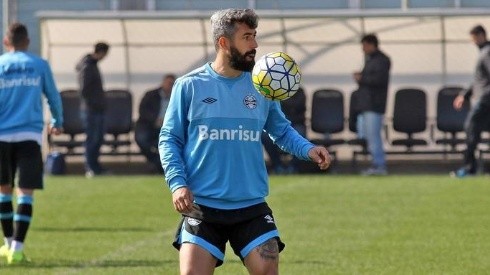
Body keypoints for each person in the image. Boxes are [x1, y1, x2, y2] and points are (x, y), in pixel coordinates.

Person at [158, 8, 331, 274]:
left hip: (250, 205)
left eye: (255, 36)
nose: (255, 45)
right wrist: (178, 184)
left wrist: (309, 149)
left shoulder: (262, 87)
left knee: (267, 270)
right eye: (247, 37)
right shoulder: (189, 86)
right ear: (223, 43)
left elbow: (281, 131)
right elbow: (169, 138)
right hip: (202, 206)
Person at [0, 22, 63, 264]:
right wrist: (57, 120)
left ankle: (6, 244)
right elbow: (53, 96)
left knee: (3, 192)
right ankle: (16, 248)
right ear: (27, 41)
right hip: (29, 136)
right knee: (25, 193)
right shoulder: (39, 64)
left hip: (1, 136)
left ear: (7, 42)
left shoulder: (1, 65)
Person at [451, 25, 490, 177]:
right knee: (473, 130)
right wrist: (465, 94)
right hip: (484, 98)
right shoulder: (484, 52)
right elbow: (478, 80)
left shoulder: (487, 53)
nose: (472, 42)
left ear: (481, 35)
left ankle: (469, 168)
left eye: (473, 38)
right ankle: (470, 167)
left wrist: (484, 96)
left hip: (485, 100)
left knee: (471, 128)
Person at [353, 33, 391, 176]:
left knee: (374, 136)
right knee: (369, 135)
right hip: (367, 104)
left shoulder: (381, 60)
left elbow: (379, 80)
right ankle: (377, 164)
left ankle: (379, 165)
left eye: (364, 46)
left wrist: (361, 78)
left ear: (371, 44)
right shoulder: (372, 60)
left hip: (374, 105)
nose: (363, 49)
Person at [76, 42, 110, 178]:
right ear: (101, 52)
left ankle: (96, 167)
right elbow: (85, 89)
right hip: (91, 109)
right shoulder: (88, 66)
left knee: (98, 138)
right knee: (93, 139)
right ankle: (90, 167)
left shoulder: (91, 65)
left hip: (96, 108)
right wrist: (94, 102)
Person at [135, 73, 176, 173]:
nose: (169, 86)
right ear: (163, 83)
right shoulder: (150, 95)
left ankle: (162, 165)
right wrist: (155, 120)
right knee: (141, 140)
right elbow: (143, 111)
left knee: (172, 144)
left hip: (169, 128)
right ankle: (158, 163)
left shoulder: (177, 97)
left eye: (172, 84)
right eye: (168, 83)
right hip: (150, 125)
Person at [262, 86, 307, 174]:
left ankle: (293, 167)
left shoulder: (299, 91)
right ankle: (277, 165)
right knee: (265, 136)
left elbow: (298, 106)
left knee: (300, 134)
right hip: (277, 125)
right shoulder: (271, 91)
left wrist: (281, 100)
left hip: (295, 123)